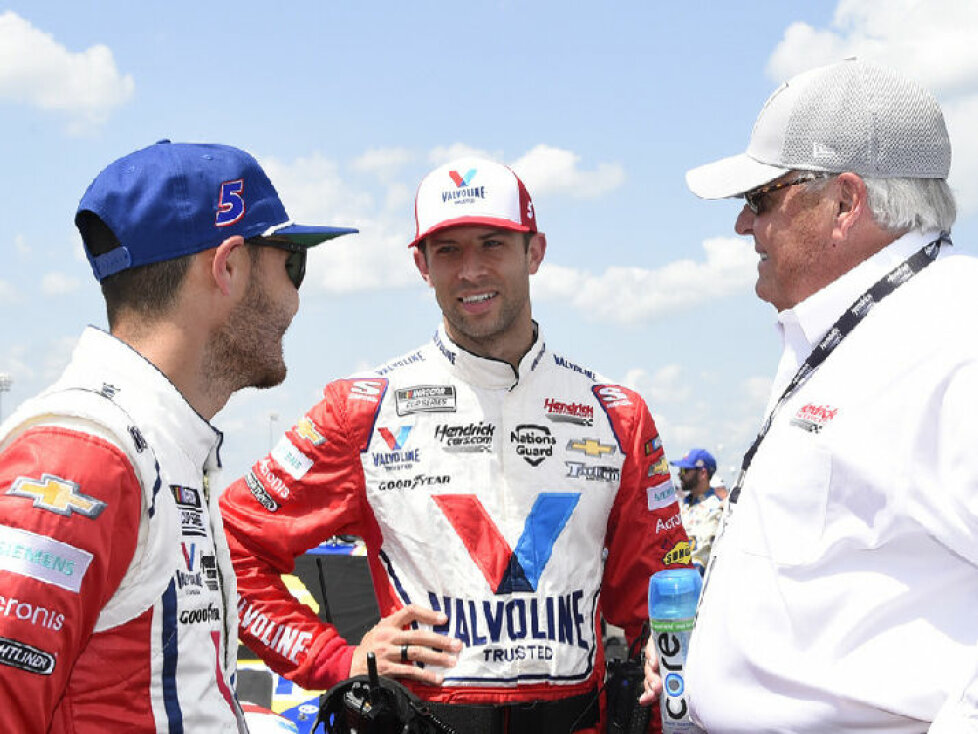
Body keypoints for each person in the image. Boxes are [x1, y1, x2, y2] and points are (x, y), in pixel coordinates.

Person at [220, 156, 691, 733]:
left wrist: (663, 658)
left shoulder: (617, 416)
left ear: (534, 252)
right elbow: (228, 547)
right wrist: (337, 659)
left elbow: (662, 597)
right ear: (422, 265)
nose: (470, 270)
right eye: (447, 250)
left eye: (491, 244)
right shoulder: (363, 410)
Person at [640, 58, 978, 732]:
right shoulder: (841, 330)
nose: (743, 224)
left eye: (761, 198)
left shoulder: (954, 340)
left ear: (845, 205)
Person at [0, 140, 356, 732]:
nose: (296, 299)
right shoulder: (87, 453)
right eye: (293, 262)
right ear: (230, 266)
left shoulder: (162, 445)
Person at [670, 449, 722, 574]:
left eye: (684, 470)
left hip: (694, 583)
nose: (679, 475)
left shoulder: (716, 509)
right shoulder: (681, 504)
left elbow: (702, 557)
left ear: (703, 473)